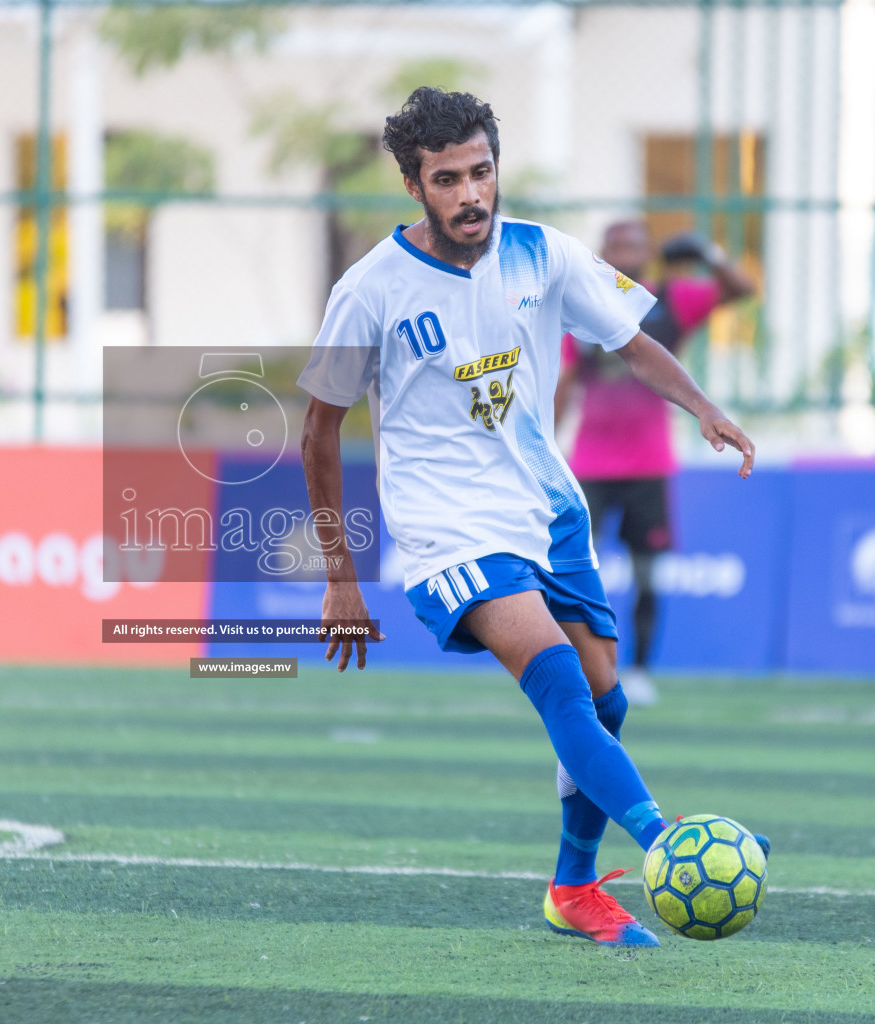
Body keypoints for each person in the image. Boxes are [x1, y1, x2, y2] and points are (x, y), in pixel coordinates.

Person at [298, 87, 766, 948]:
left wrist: (700, 405)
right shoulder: (369, 290)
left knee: (604, 701)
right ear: (414, 185)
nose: (472, 194)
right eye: (448, 180)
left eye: (481, 172)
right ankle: (672, 847)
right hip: (448, 531)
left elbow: (630, 338)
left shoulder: (543, 255)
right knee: (556, 683)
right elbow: (320, 429)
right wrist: (341, 575)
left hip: (546, 511)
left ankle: (572, 887)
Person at [556, 221, 757, 706]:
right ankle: (574, 666)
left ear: (647, 254)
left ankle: (641, 668)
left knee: (648, 574)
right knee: (573, 570)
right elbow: (563, 379)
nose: (625, 253)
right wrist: (545, 441)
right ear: (602, 252)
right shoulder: (580, 305)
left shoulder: (669, 301)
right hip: (590, 463)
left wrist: (708, 252)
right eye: (617, 246)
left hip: (649, 464)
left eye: (634, 246)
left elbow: (742, 290)